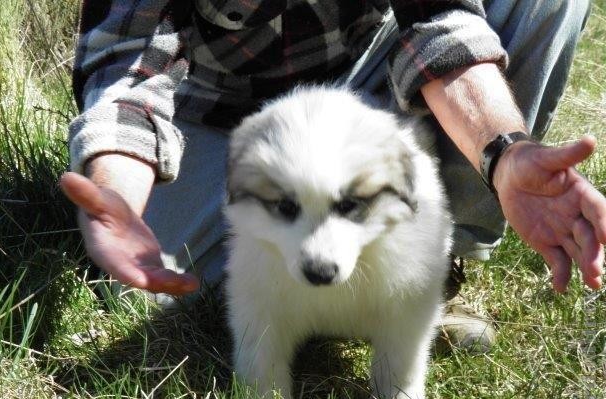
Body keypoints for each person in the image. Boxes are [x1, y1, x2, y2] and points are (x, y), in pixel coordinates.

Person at [61, 1, 605, 351]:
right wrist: (120, 202)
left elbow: (439, 23)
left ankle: (433, 270)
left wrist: (504, 154)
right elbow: (127, 70)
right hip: (213, 121)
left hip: (364, 77)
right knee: (149, 295)